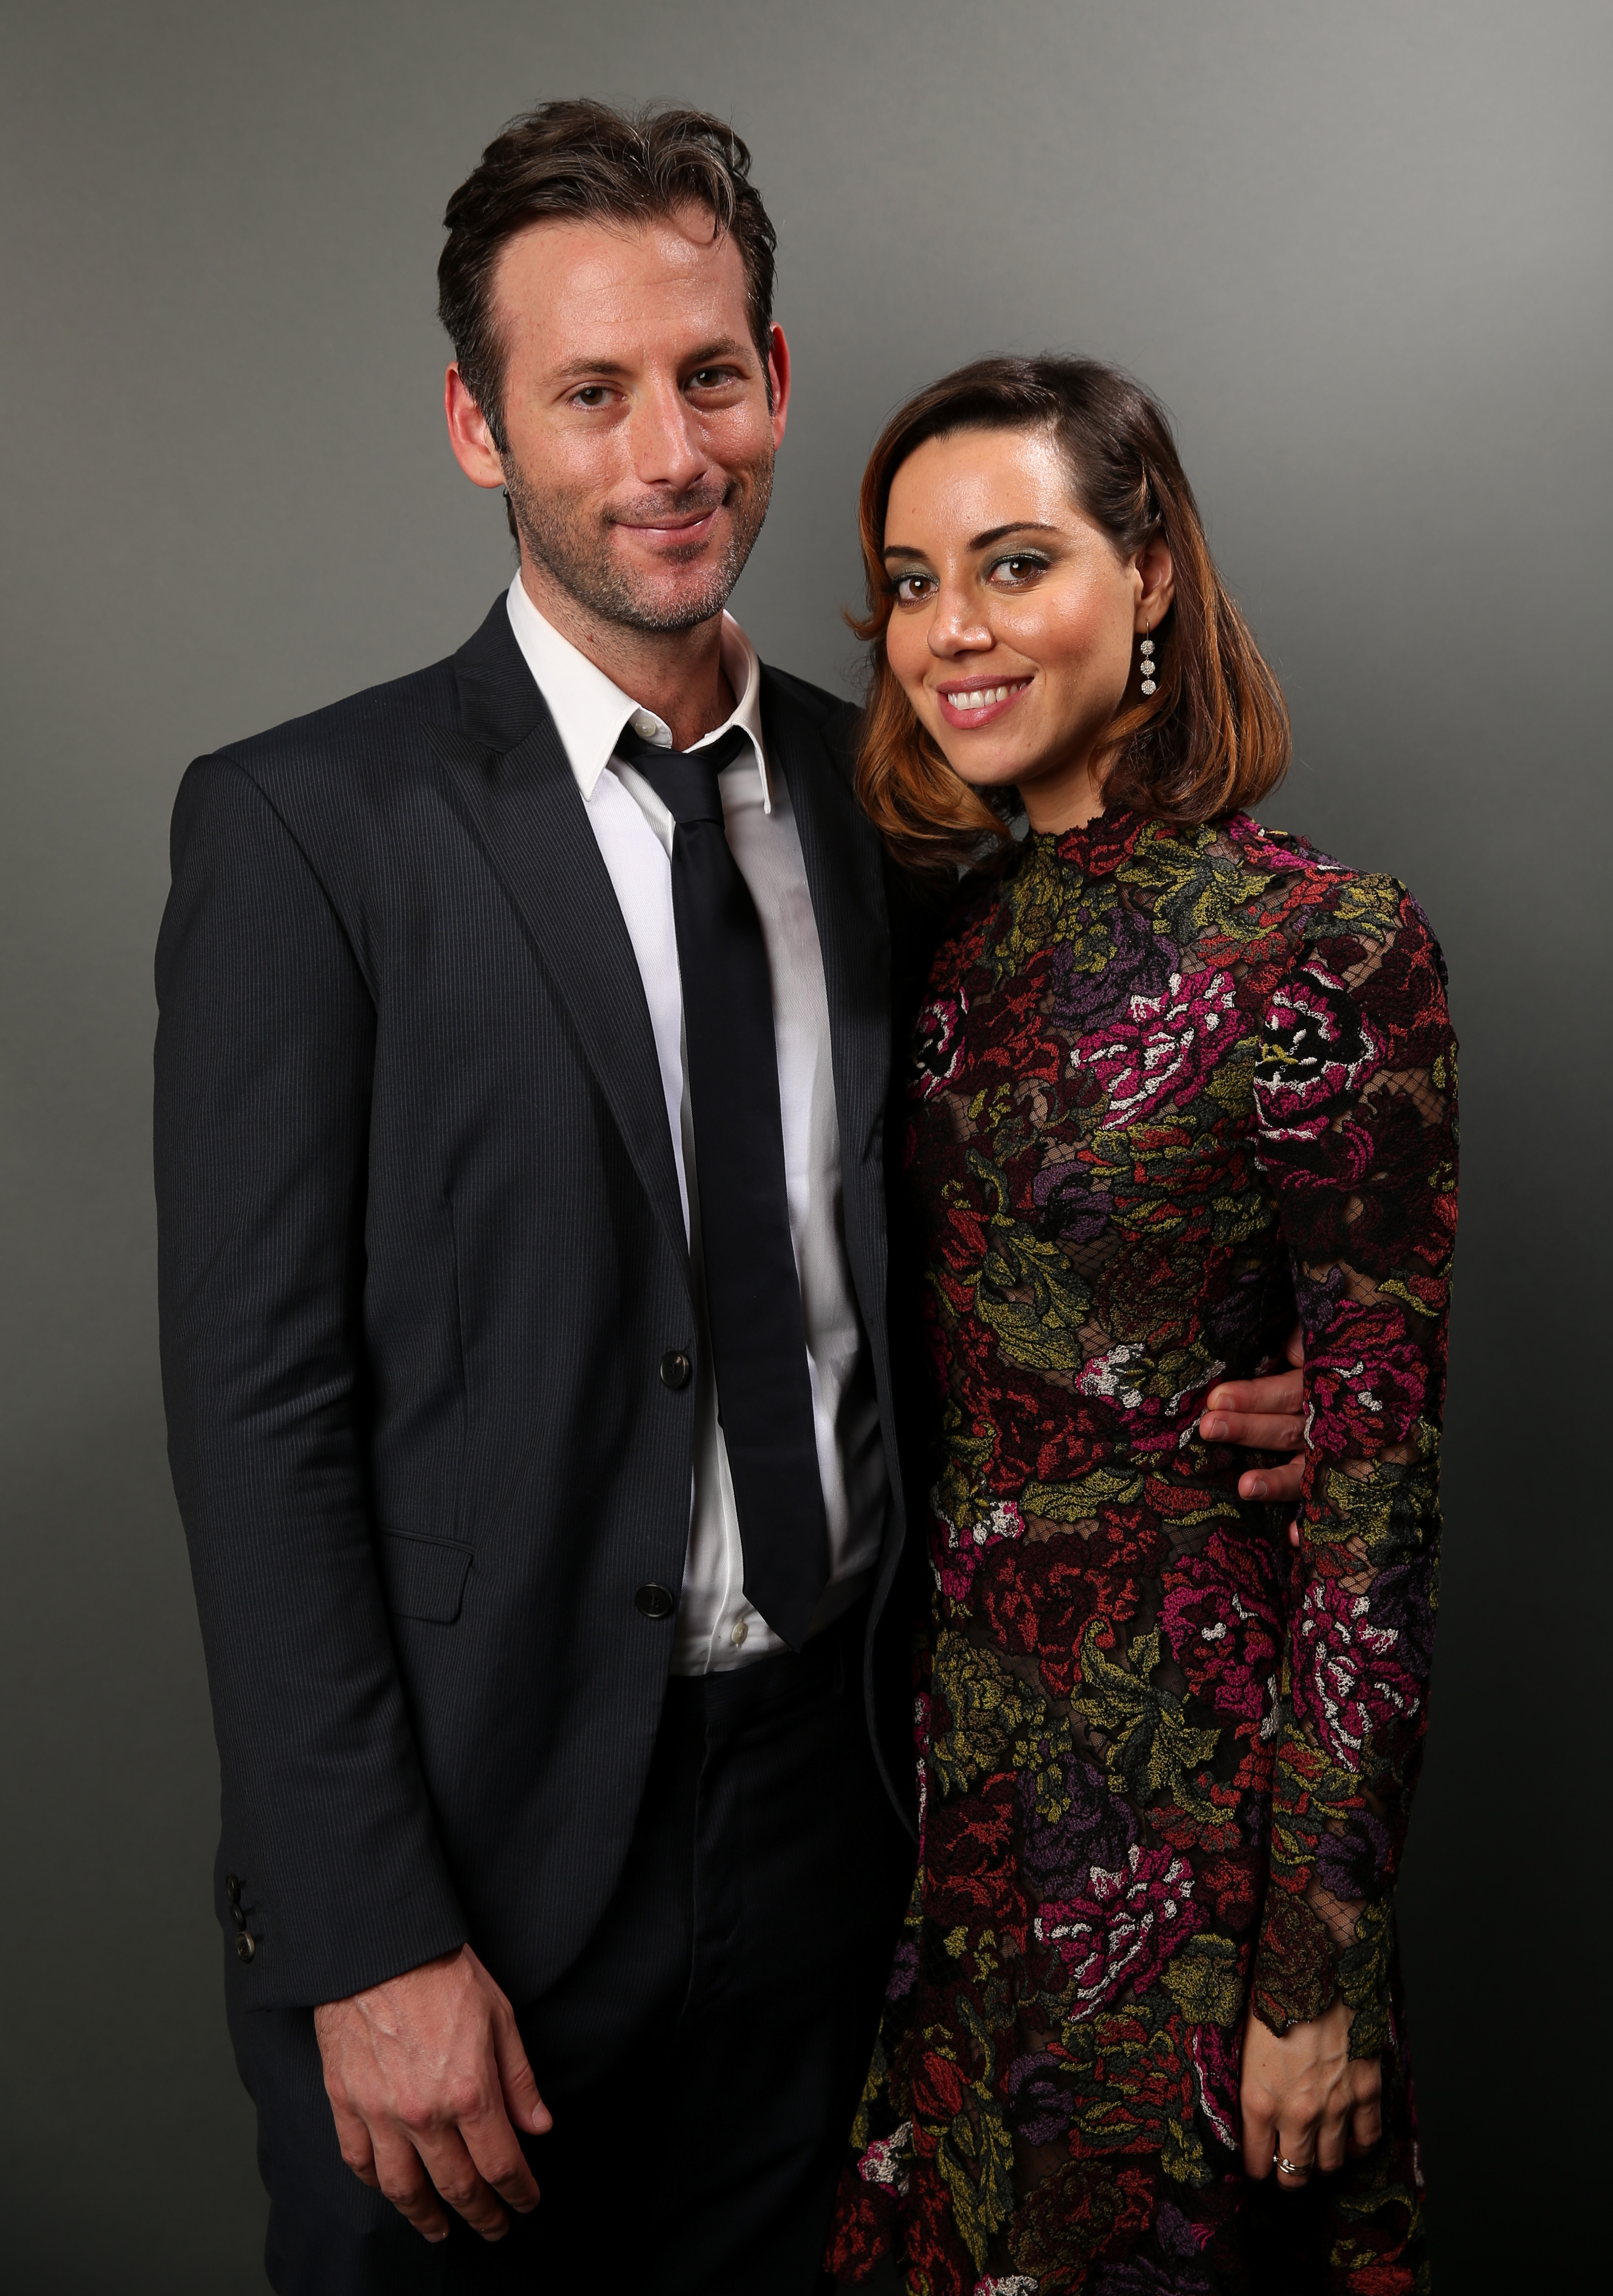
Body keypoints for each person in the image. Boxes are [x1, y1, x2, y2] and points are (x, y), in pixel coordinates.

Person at [154, 102, 1305, 2295]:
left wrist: (1252, 1400)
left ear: (773, 382)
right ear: (480, 428)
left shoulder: (901, 815)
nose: (665, 450)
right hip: (472, 1880)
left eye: (704, 377)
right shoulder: (306, 834)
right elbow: (257, 1426)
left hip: (852, 1830)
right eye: (589, 391)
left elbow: (1025, 1230)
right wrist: (368, 1933)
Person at [827, 358, 1455, 2295]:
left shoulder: (1324, 948)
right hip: (950, 1827)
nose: (957, 633)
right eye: (913, 585)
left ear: (1154, 568)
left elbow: (1373, 1509)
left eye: (1014, 565)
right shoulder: (936, 956)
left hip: (1194, 1828)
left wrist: (1320, 1976)